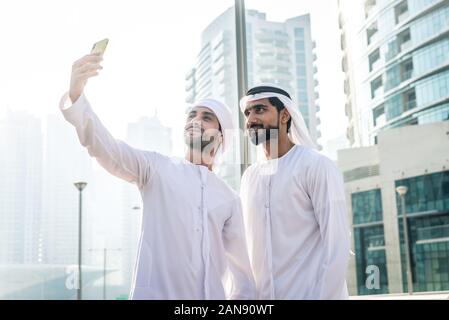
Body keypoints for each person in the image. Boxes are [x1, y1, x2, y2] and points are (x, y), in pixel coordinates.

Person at [59, 53, 255, 300]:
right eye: (192, 115)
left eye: (206, 118)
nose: (195, 121)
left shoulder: (229, 198)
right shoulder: (156, 168)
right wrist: (77, 96)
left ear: (222, 137)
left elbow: (243, 278)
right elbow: (106, 148)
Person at [239, 83, 350, 299]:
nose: (251, 119)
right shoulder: (249, 177)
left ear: (284, 115)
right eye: (247, 113)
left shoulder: (316, 166)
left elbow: (337, 244)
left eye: (260, 110)